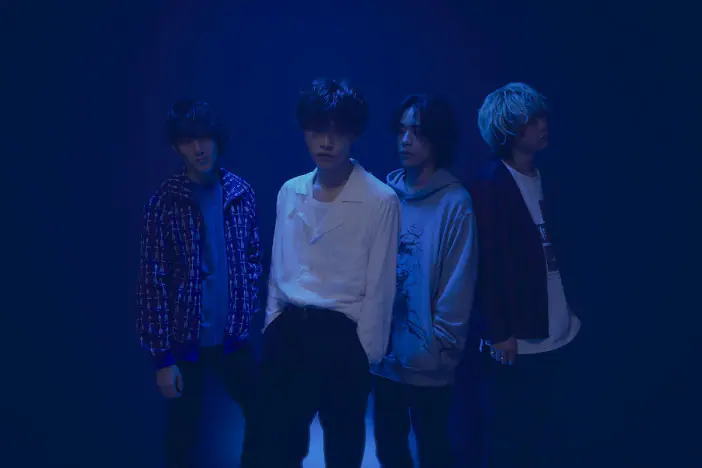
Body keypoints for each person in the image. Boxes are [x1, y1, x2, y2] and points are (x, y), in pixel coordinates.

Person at [249, 79, 400, 468]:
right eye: (318, 130)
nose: (327, 142)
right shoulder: (290, 191)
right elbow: (277, 269)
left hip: (342, 339)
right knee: (277, 450)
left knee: (342, 452)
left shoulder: (380, 199)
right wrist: (272, 325)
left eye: (337, 131)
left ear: (353, 134)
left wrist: (366, 354)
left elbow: (381, 285)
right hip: (289, 333)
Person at [136, 100, 262, 468]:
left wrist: (246, 308)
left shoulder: (240, 193)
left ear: (217, 139)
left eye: (204, 137)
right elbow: (151, 281)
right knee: (182, 436)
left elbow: (253, 257)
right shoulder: (164, 202)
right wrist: (162, 359)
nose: (198, 148)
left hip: (232, 337)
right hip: (184, 341)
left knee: (264, 414)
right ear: (177, 146)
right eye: (188, 140)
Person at [471, 83, 582, 468]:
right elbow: (487, 265)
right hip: (518, 339)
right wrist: (499, 330)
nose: (542, 125)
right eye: (531, 119)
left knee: (552, 437)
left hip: (559, 326)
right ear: (508, 128)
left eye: (541, 116)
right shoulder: (490, 184)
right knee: (510, 440)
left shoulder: (547, 177)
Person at [371, 94, 478, 468]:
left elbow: (458, 283)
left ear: (437, 138)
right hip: (383, 361)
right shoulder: (384, 197)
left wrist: (440, 349)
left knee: (434, 451)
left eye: (416, 132)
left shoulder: (455, 203)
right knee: (389, 451)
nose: (405, 140)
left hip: (430, 366)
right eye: (401, 130)